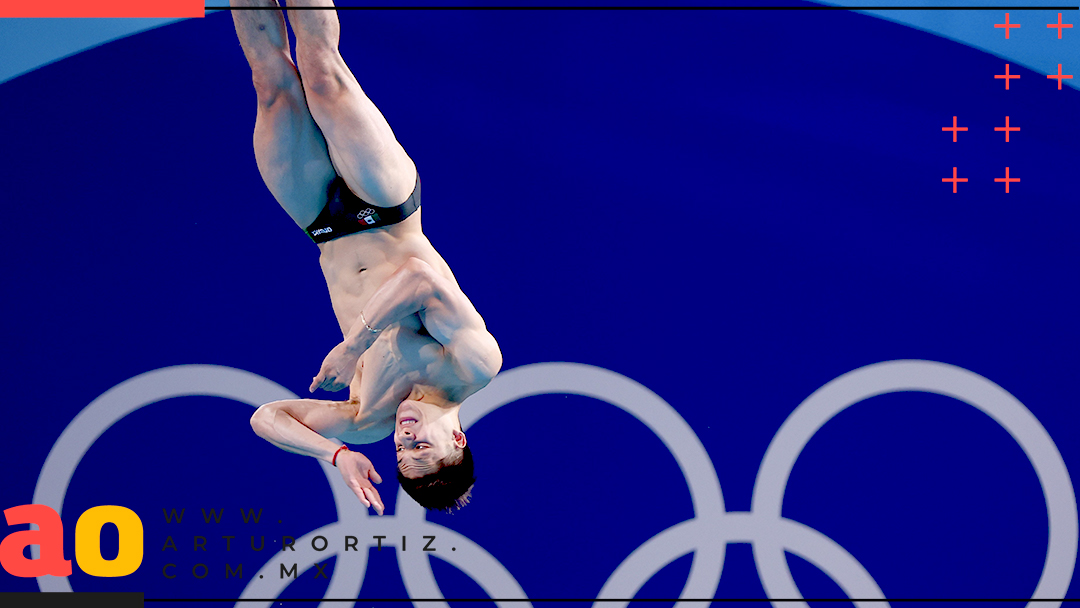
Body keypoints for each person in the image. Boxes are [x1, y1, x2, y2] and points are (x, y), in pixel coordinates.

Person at [231, 0, 502, 514]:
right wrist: (355, 346)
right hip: (386, 206)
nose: (404, 438)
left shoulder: (369, 418)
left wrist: (336, 454)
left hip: (322, 224)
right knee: (321, 72)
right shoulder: (472, 366)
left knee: (271, 86)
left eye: (402, 451)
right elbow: (421, 279)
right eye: (422, 446)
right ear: (457, 442)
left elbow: (266, 417)